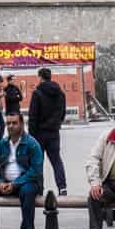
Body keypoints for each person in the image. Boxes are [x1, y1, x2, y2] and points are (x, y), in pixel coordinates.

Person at [28, 67, 69, 196]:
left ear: (40, 77)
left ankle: (39, 189)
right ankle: (62, 187)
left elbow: (33, 116)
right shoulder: (60, 93)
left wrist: (31, 134)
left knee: (37, 162)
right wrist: (56, 124)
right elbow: (62, 112)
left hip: (39, 133)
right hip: (54, 132)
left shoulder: (37, 93)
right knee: (56, 160)